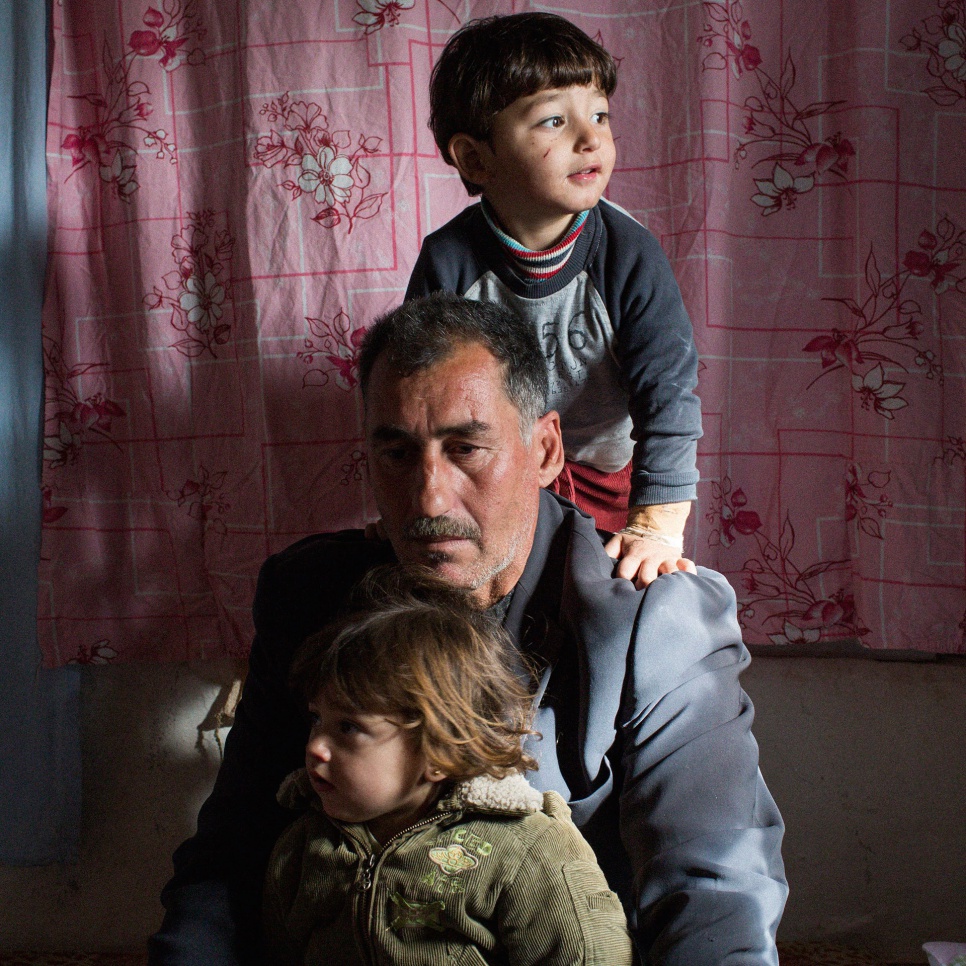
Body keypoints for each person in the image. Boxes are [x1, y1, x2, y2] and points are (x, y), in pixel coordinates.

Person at [150, 293, 787, 966]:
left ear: (544, 450)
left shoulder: (653, 620)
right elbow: (232, 854)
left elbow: (715, 889)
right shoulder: (312, 598)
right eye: (397, 454)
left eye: (466, 448)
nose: (428, 499)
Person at [407, 13, 703, 588]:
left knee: (605, 597)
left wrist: (658, 522)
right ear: (475, 159)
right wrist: (413, 502)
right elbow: (416, 399)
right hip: (493, 474)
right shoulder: (449, 261)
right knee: (485, 595)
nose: (590, 137)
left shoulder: (630, 255)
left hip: (605, 476)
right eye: (552, 120)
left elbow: (667, 389)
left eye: (598, 115)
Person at [262, 564, 633, 965]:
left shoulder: (526, 852)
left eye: (349, 727)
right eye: (317, 720)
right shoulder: (302, 849)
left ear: (440, 751)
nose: (316, 746)